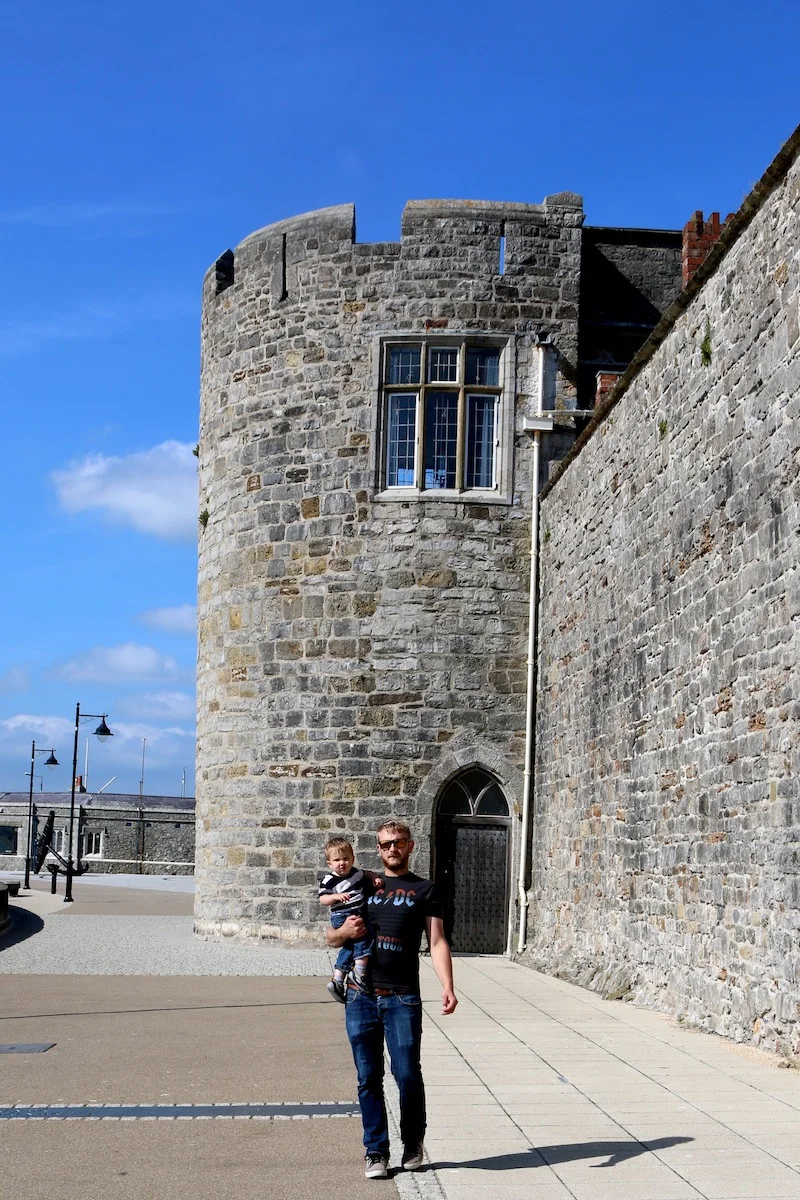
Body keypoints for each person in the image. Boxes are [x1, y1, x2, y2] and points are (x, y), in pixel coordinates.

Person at [326, 819, 457, 1180]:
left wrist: (448, 985)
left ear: (410, 846)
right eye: (385, 844)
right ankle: (376, 1151)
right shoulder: (361, 882)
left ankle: (413, 1142)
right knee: (368, 1077)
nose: (392, 849)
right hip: (360, 996)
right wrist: (343, 932)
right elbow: (331, 936)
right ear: (378, 848)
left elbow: (437, 940)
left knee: (407, 1074)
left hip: (402, 997)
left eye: (398, 842)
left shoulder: (425, 889)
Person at [319, 836, 381, 1002]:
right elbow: (323, 899)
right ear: (329, 863)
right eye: (337, 860)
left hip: (355, 913)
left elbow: (367, 873)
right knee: (364, 937)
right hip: (342, 916)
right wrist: (336, 897)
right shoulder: (329, 879)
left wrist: (374, 877)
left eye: (346, 859)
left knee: (349, 946)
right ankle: (359, 971)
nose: (342, 863)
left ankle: (338, 978)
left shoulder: (356, 873)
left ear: (352, 859)